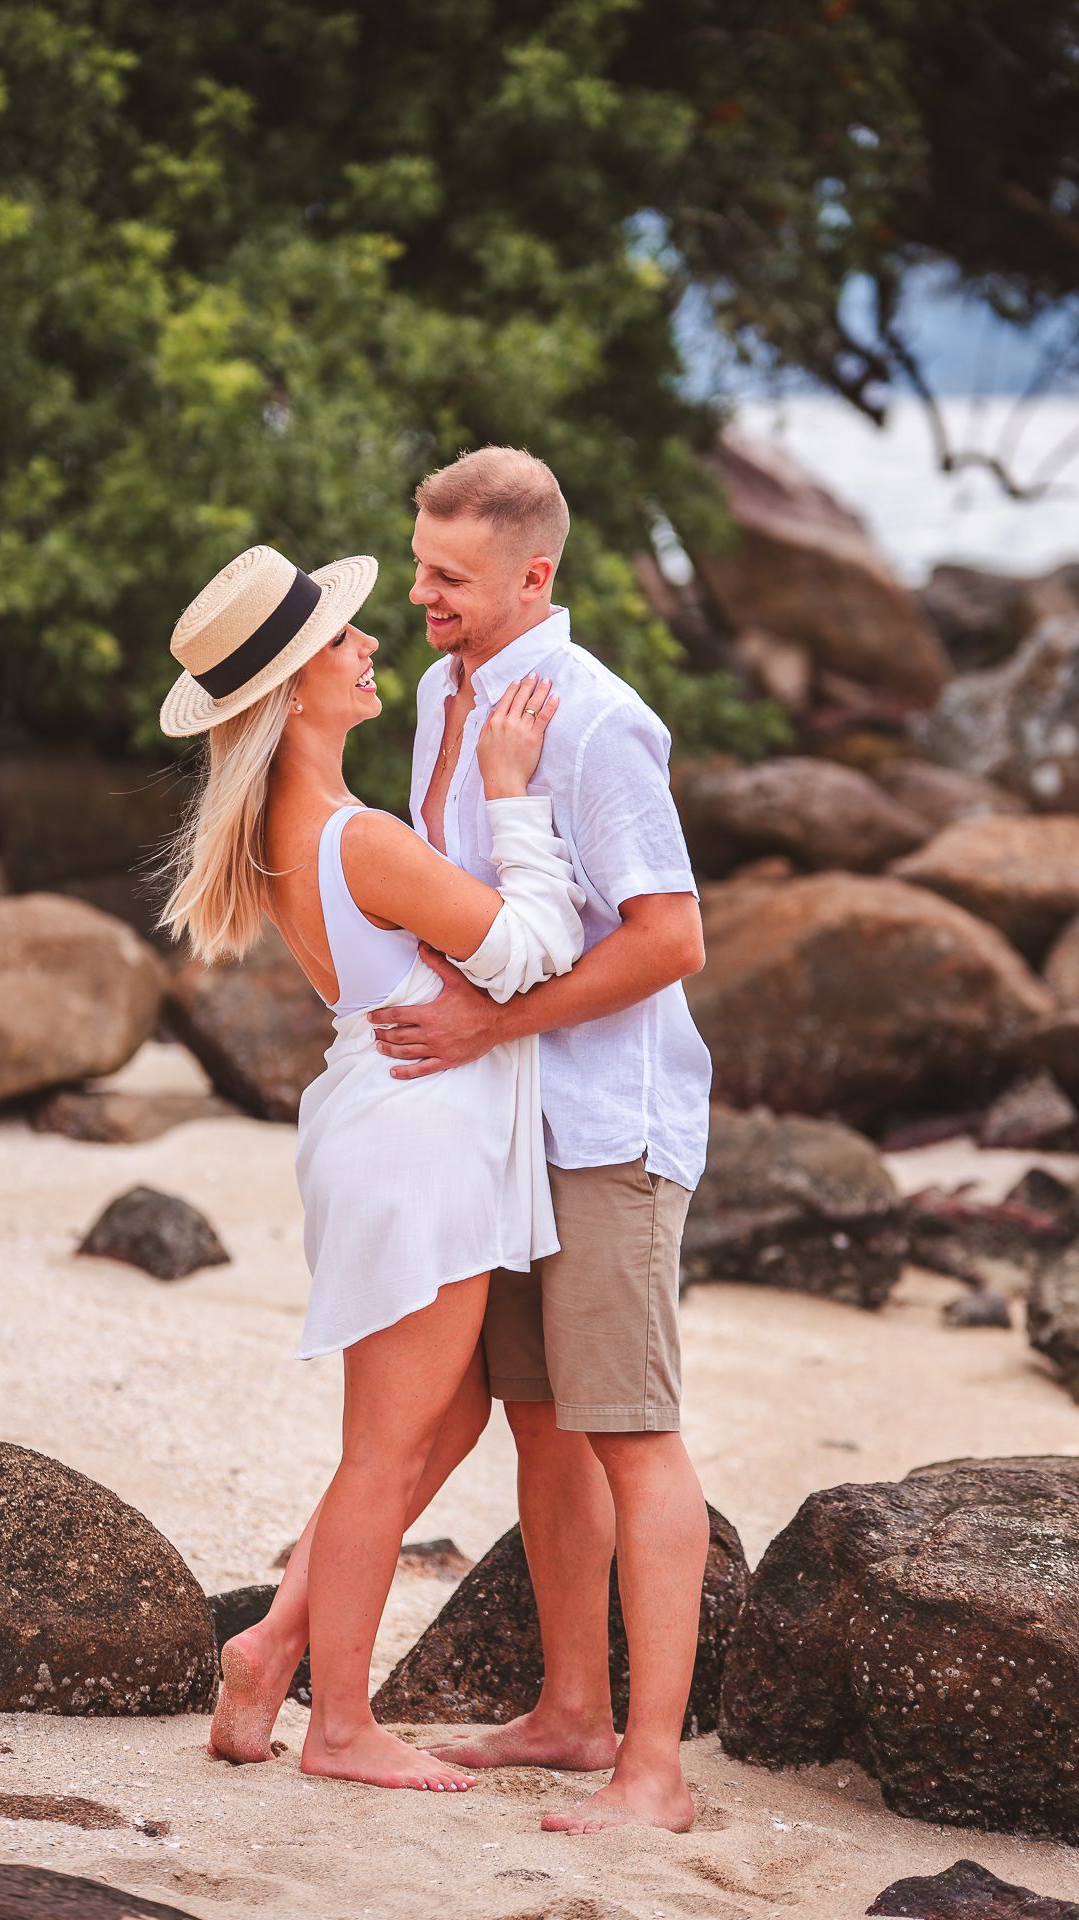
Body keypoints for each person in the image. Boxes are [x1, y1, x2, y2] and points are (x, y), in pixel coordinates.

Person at [155, 540, 585, 1793]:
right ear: (293, 691)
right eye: (338, 642)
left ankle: (274, 1644)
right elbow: (532, 958)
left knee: (440, 1418)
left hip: (391, 1126)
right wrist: (508, 795)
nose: (365, 646)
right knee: (382, 1451)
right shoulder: (362, 839)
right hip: (418, 1140)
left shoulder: (302, 828)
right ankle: (338, 1724)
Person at [370, 446, 713, 1835]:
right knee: (544, 1423)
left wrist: (490, 1029)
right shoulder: (451, 698)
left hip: (608, 1128)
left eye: (446, 576)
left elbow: (671, 939)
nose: (421, 593)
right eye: (417, 563)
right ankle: (573, 1714)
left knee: (632, 1433)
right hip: (503, 1127)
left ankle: (656, 1771)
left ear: (534, 576)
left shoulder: (596, 719)